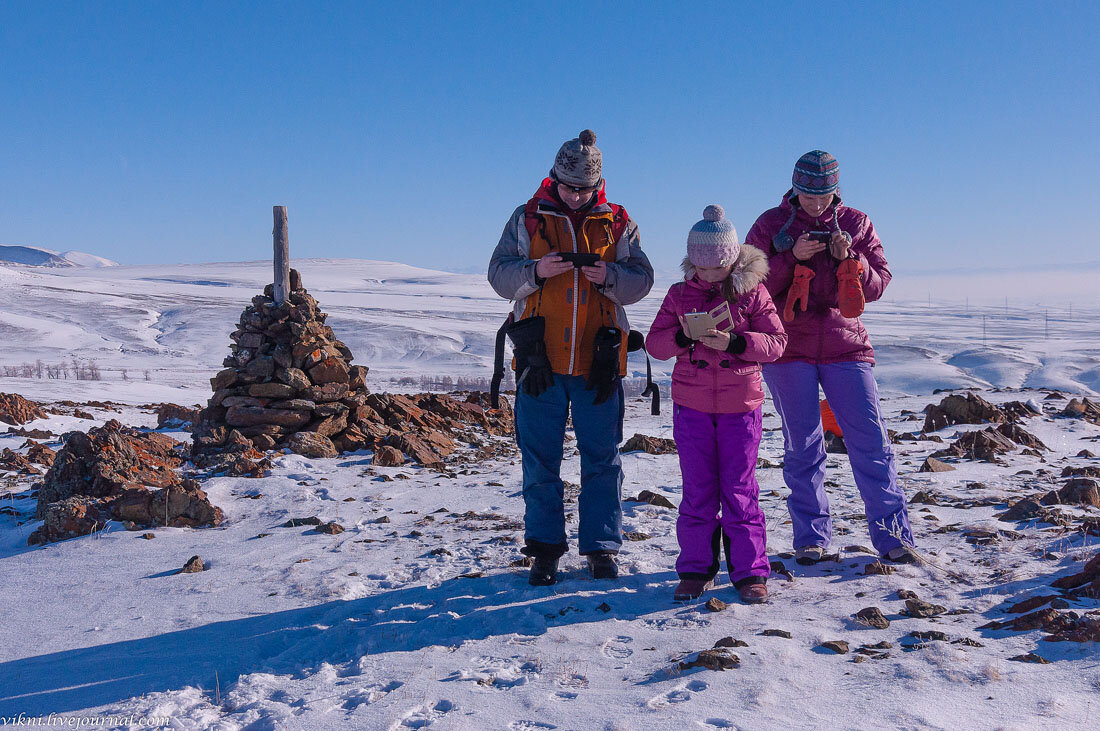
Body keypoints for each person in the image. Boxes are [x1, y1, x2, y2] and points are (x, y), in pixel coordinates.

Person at [488, 130, 654, 586]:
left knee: (602, 458)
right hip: (538, 361)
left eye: (584, 189)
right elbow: (498, 275)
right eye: (568, 187)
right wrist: (536, 272)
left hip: (598, 363)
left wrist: (610, 277)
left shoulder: (618, 221)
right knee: (540, 459)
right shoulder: (527, 219)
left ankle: (601, 547)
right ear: (554, 178)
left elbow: (641, 280)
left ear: (598, 185)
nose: (576, 196)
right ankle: (544, 550)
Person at [744, 150, 917, 565]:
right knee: (802, 446)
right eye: (808, 195)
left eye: (824, 195)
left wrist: (851, 261)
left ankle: (895, 538)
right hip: (788, 350)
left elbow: (878, 284)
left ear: (836, 191)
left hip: (847, 348)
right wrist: (791, 259)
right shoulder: (770, 224)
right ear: (794, 188)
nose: (816, 204)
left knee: (871, 441)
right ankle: (810, 539)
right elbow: (747, 284)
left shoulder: (857, 223)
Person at [646, 205, 786, 603]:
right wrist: (685, 338)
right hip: (691, 405)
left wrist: (737, 343)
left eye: (716, 269)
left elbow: (777, 343)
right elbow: (655, 343)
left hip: (741, 405)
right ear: (691, 261)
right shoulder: (678, 294)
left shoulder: (753, 292)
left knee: (740, 488)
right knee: (698, 488)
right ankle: (694, 569)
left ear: (732, 260)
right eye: (700, 269)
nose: (707, 276)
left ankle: (749, 572)